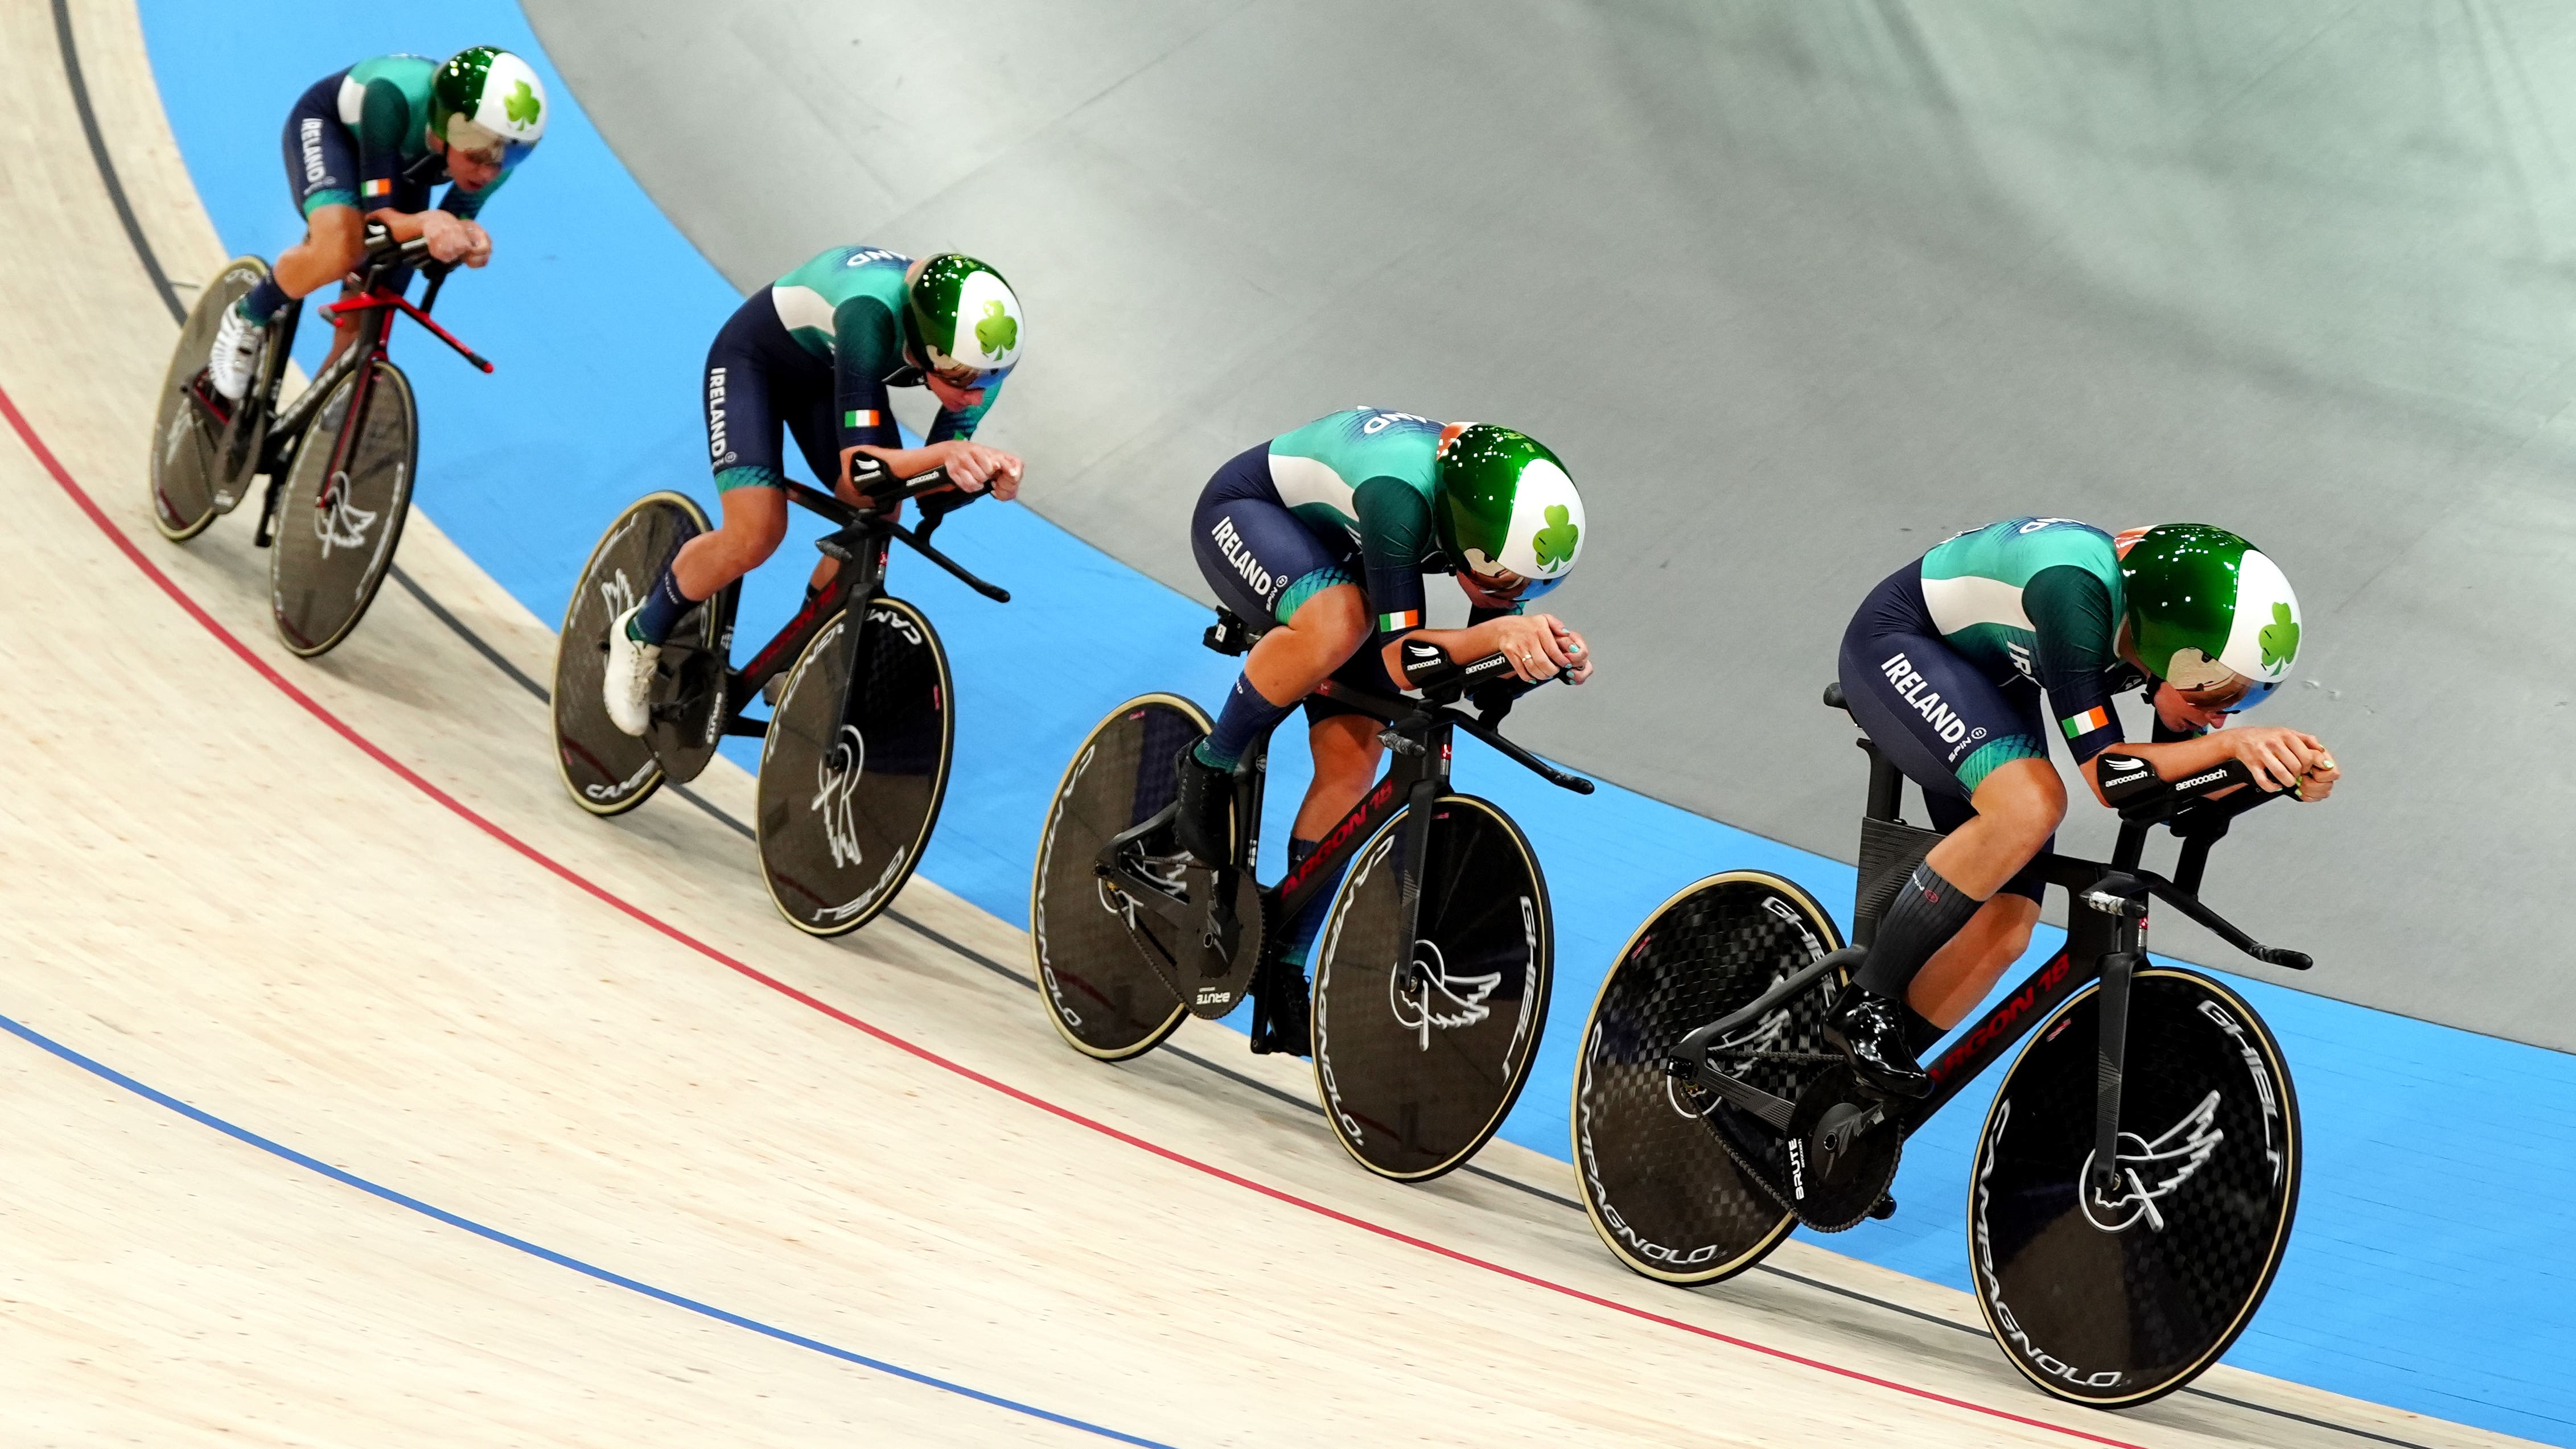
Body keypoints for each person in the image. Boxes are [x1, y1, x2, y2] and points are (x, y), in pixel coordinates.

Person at [1827, 518, 2339, 1097]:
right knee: (2030, 801)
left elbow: (2165, 802)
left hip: (1992, 682)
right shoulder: (2073, 592)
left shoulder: (2156, 651)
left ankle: (1847, 1093)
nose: (2222, 716)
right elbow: (2111, 777)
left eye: (2242, 699)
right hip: (1899, 644)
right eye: (2219, 692)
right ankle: (1864, 1004)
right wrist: (2227, 747)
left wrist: (2269, 778)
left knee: (2005, 929)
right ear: (2172, 646)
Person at [1173, 407, 1595, 1053]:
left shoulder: (1482, 517)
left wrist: (1527, 663)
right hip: (1248, 513)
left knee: (1355, 759)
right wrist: (1492, 635)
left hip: (1342, 549)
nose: (1510, 596)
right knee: (1340, 619)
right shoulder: (1399, 495)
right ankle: (1210, 761)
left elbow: (1445, 673)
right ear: (1468, 538)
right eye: (1505, 579)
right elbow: (1405, 659)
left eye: (1528, 586)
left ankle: (1284, 960)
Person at [602, 247, 1026, 735]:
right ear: (926, 342)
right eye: (961, 378)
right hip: (754, 365)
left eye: (991, 378)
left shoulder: (979, 358)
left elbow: (927, 494)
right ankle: (640, 633)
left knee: (881, 512)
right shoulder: (870, 314)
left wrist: (981, 480)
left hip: (828, 379)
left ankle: (796, 656)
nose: (975, 394)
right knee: (756, 531)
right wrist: (944, 457)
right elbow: (863, 470)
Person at [208, 47, 547, 398]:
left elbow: (448, 233)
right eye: (480, 154)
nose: (490, 172)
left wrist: (468, 243)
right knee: (343, 248)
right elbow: (379, 222)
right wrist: (429, 222)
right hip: (334, 132)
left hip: (400, 165)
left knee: (378, 302)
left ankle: (317, 414)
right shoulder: (393, 98)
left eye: (511, 154)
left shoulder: (496, 164)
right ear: (448, 128)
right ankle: (248, 315)